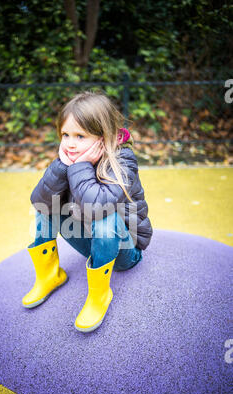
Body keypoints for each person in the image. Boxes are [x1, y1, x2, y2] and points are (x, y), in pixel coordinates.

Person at [22, 91, 153, 333]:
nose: (70, 143)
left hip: (126, 251)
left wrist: (79, 166)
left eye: (80, 136)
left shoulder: (122, 161)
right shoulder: (70, 159)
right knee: (47, 206)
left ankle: (99, 296)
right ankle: (50, 275)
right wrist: (62, 166)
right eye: (65, 134)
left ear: (105, 135)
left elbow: (97, 207)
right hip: (93, 239)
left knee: (106, 215)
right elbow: (38, 200)